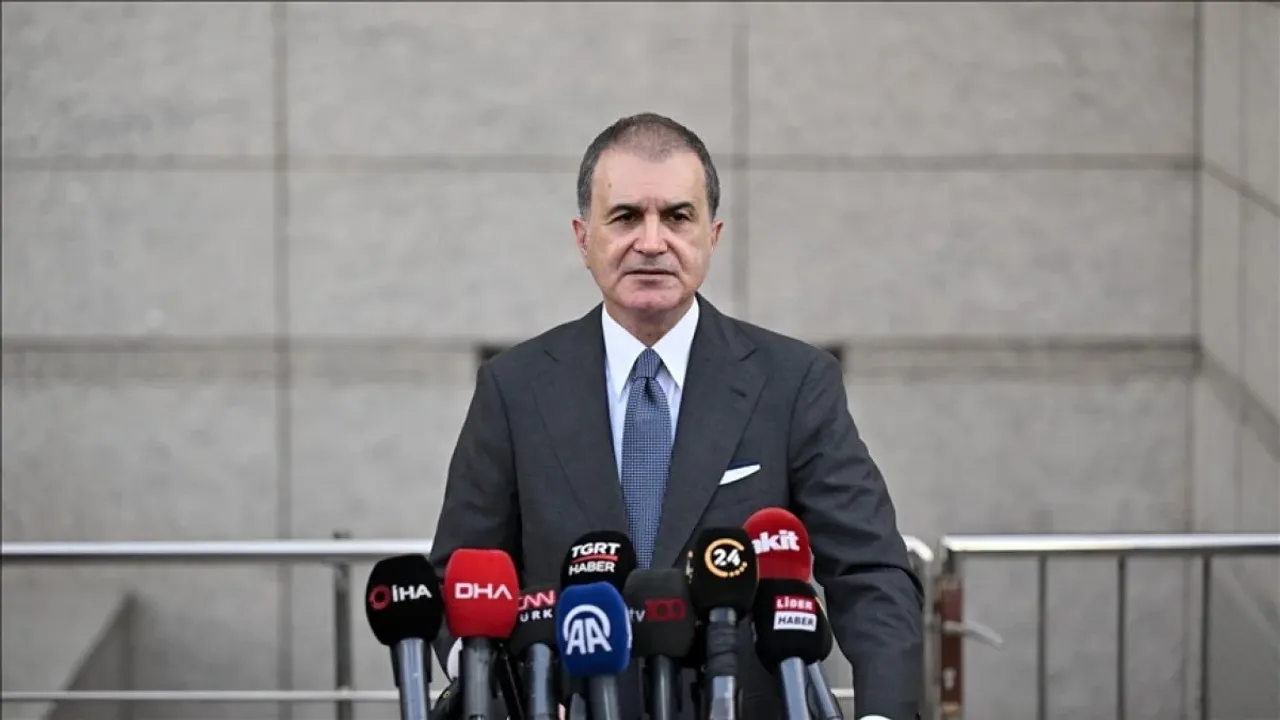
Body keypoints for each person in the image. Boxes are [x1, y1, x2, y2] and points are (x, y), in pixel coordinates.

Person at [429, 112, 923, 720]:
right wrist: (503, 694)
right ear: (583, 238)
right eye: (625, 217)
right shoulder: (514, 388)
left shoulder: (794, 383)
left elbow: (871, 574)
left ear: (712, 236)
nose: (652, 242)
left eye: (677, 216)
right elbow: (459, 579)